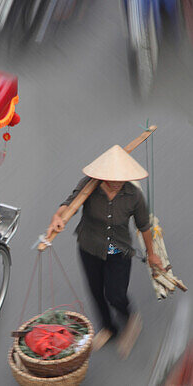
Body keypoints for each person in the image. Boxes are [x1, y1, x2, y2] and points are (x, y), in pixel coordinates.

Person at [46, 145, 163, 358]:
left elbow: (144, 226)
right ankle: (108, 328)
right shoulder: (89, 187)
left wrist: (152, 253)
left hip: (117, 250)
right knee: (96, 292)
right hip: (89, 246)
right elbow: (69, 205)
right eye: (112, 177)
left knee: (115, 294)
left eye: (121, 178)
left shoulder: (134, 196)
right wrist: (57, 217)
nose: (117, 182)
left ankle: (129, 319)